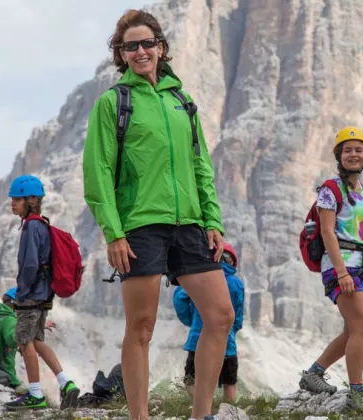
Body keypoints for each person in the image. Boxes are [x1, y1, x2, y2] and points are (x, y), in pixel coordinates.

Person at [82, 9, 234, 420]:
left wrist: (213, 222)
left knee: (221, 316)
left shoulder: (182, 102)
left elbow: (201, 166)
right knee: (143, 326)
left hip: (190, 224)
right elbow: (97, 173)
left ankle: (201, 414)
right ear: (121, 54)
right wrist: (114, 233)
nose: (140, 51)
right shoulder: (114, 103)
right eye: (130, 46)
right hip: (141, 225)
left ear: (161, 47)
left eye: (147, 43)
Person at [298, 127, 363, 400]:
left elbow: (350, 229)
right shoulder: (329, 188)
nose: (353, 154)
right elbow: (327, 231)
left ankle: (313, 373)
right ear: (339, 155)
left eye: (359, 150)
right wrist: (342, 272)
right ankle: (357, 393)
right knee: (362, 327)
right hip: (342, 265)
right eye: (347, 150)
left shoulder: (360, 189)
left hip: (361, 264)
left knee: (354, 329)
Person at [3, 175, 80, 411]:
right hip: (45, 294)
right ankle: (65, 383)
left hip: (31, 295)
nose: (12, 203)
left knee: (24, 341)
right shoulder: (42, 224)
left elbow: (29, 265)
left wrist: (19, 295)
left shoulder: (31, 227)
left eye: (17, 199)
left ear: (31, 200)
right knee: (36, 340)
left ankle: (35, 394)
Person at [174, 242, 244, 402]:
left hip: (198, 339)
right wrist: (234, 328)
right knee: (229, 382)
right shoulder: (236, 283)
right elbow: (238, 312)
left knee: (192, 380)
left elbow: (180, 300)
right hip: (228, 342)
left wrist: (192, 321)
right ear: (232, 261)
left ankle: (202, 408)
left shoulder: (200, 278)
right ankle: (230, 414)